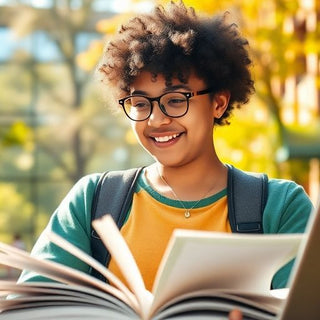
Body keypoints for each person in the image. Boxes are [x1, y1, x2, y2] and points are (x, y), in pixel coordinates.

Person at [18, 1, 313, 319]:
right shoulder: (93, 201)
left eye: (175, 100)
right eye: (140, 103)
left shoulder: (280, 206)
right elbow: (32, 311)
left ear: (218, 102)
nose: (156, 120)